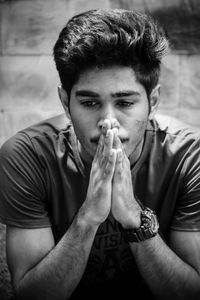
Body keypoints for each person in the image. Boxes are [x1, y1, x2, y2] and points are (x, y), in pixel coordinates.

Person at [0, 8, 200, 300]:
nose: (109, 121)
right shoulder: (26, 156)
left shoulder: (189, 156)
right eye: (90, 103)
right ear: (66, 103)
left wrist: (134, 218)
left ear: (153, 101)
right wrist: (88, 218)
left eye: (125, 102)